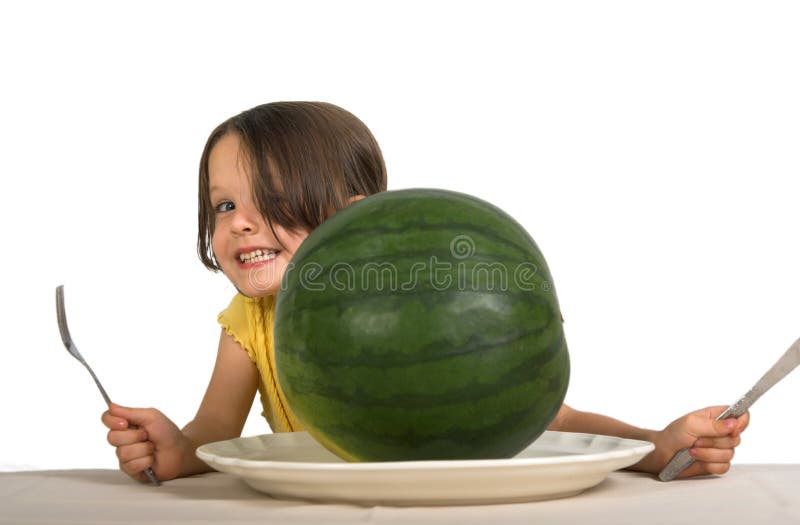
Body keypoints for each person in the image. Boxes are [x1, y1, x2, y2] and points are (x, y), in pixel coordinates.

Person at [102, 101, 749, 482]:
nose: (238, 221)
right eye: (221, 204)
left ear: (356, 214)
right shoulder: (248, 320)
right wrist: (176, 449)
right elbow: (216, 429)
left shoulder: (417, 298)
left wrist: (654, 446)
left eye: (269, 199)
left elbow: (553, 421)